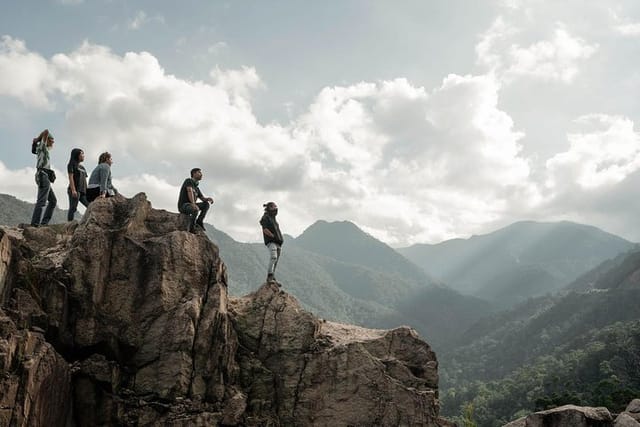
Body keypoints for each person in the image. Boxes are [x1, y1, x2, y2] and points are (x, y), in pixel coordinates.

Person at [30, 129, 57, 227]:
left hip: (44, 176)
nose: (53, 143)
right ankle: (35, 224)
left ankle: (44, 223)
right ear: (47, 139)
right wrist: (37, 139)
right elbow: (46, 131)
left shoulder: (42, 149)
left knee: (53, 201)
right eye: (52, 140)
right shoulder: (42, 146)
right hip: (42, 175)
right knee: (42, 201)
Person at [177, 168, 214, 233]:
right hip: (183, 206)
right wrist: (193, 204)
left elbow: (202, 198)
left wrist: (208, 199)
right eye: (199, 172)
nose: (201, 174)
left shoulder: (196, 188)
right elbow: (189, 191)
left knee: (206, 204)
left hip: (191, 205)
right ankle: (191, 228)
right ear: (194, 173)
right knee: (195, 209)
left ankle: (199, 221)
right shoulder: (188, 181)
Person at [260, 202, 283, 283]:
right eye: (273, 207)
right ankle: (269, 277)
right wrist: (273, 236)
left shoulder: (273, 218)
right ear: (269, 208)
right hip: (271, 242)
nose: (275, 209)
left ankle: (273, 277)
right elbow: (265, 229)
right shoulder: (265, 217)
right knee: (273, 257)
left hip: (278, 243)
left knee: (275, 261)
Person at [67, 148, 89, 221]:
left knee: (90, 206)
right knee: (73, 208)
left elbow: (85, 180)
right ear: (77, 155)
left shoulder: (82, 167)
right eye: (82, 154)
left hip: (83, 192)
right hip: (75, 190)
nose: (83, 155)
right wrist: (73, 190)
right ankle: (69, 225)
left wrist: (88, 192)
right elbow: (71, 177)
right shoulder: (71, 164)